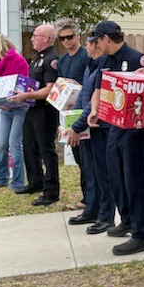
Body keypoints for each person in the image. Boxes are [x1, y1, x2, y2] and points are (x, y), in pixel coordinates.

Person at [87, 21, 144, 256]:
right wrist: (95, 110)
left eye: (97, 39)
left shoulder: (137, 59)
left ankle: (141, 233)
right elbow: (99, 88)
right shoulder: (105, 61)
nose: (95, 44)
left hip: (136, 130)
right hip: (113, 126)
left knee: (134, 179)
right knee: (115, 176)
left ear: (107, 38)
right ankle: (126, 219)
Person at [64, 34, 116, 231]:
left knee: (102, 173)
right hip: (86, 126)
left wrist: (77, 126)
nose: (85, 46)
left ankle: (105, 216)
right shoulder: (91, 66)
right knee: (90, 171)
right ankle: (91, 209)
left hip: (99, 126)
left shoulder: (104, 66)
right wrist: (71, 120)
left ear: (96, 44)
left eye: (88, 43)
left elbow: (98, 100)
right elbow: (82, 99)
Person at [10, 23, 60, 207]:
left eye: (35, 35)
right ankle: (35, 182)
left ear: (45, 38)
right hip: (32, 107)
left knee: (46, 150)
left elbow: (50, 89)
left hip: (45, 111)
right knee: (29, 145)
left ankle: (51, 191)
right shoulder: (36, 58)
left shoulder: (51, 60)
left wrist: (28, 95)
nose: (32, 38)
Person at [0, 33, 31, 192]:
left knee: (14, 144)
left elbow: (23, 84)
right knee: (3, 144)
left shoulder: (19, 61)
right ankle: (2, 178)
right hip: (5, 109)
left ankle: (18, 182)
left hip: (20, 108)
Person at [56, 18, 90, 207]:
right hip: (68, 111)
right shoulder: (62, 60)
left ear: (77, 36)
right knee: (77, 156)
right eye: (62, 39)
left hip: (84, 110)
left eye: (69, 37)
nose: (66, 41)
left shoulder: (85, 56)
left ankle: (89, 199)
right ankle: (86, 196)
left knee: (87, 158)